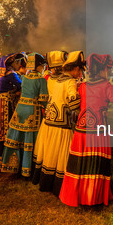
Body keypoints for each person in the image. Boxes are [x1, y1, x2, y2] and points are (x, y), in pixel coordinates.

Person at [59, 53, 113, 207]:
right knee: (96, 164)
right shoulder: (106, 86)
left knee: (80, 164)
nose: (109, 71)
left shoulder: (83, 85)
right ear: (102, 69)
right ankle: (93, 197)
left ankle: (77, 196)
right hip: (98, 131)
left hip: (81, 130)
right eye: (107, 68)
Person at [32, 51, 85, 196]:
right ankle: (58, 185)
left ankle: (45, 181)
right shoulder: (70, 82)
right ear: (75, 69)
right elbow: (74, 103)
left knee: (49, 152)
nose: (80, 73)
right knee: (62, 155)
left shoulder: (51, 80)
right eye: (80, 70)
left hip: (49, 120)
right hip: (62, 123)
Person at [1, 53, 49, 177]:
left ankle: (13, 165)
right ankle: (27, 168)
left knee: (18, 138)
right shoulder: (41, 79)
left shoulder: (24, 77)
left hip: (20, 109)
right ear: (39, 66)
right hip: (32, 112)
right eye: (43, 65)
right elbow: (43, 99)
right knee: (29, 140)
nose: (44, 68)